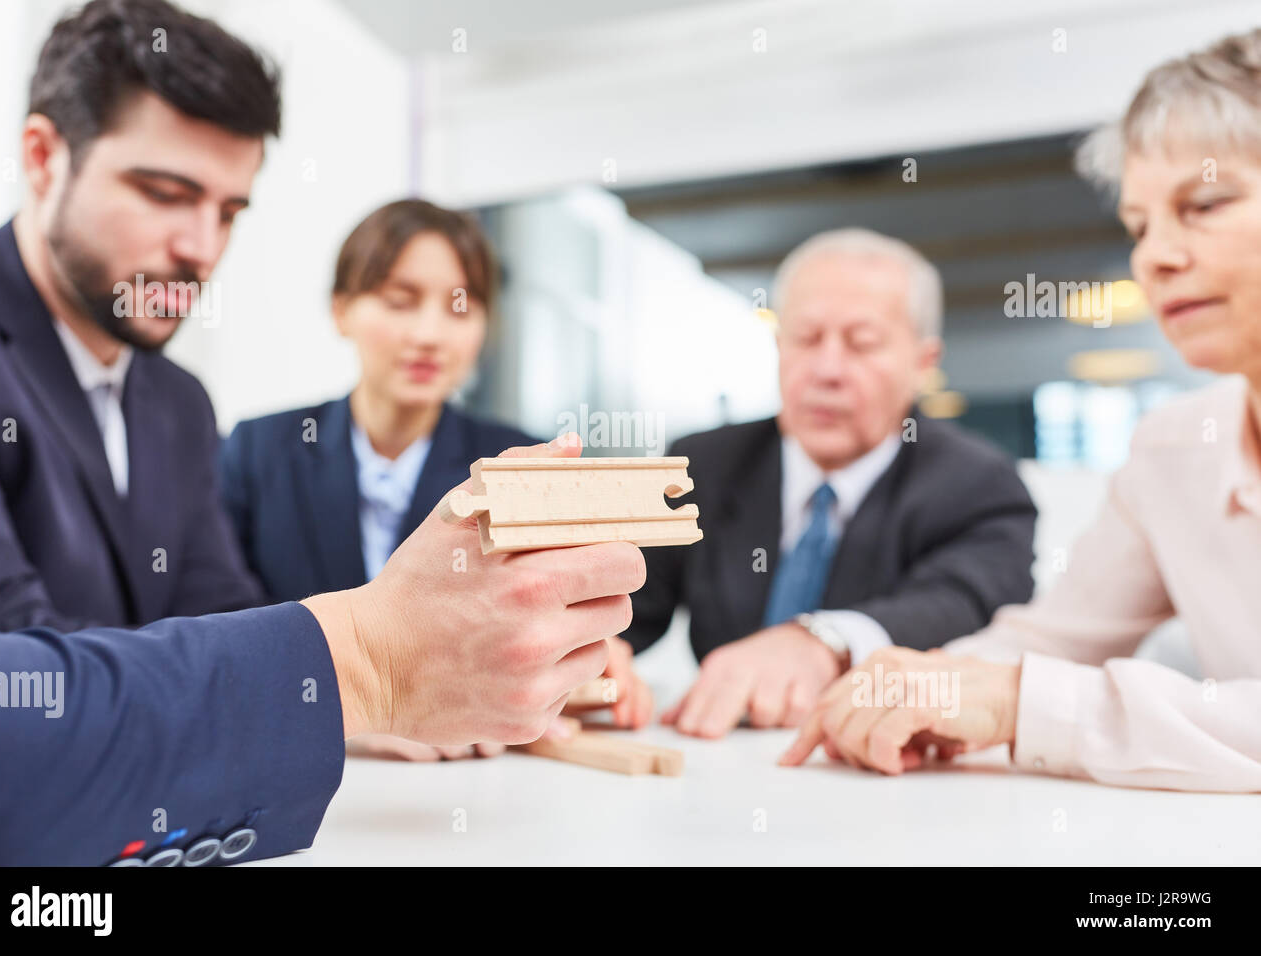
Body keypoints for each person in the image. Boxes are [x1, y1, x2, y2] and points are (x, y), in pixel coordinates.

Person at [782, 29, 1261, 793]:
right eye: (1139, 226)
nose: (1155, 256)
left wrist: (1018, 703)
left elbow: (1029, 690)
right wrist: (927, 688)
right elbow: (1054, 640)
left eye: (1203, 204)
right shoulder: (1173, 450)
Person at [0, 429, 647, 866]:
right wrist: (358, 670)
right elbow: (4, 668)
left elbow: (223, 611)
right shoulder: (265, 445)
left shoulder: (175, 402)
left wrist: (339, 703)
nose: (198, 253)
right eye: (398, 299)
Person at [219, 200, 649, 757]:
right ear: (341, 310)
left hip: (474, 776)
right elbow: (222, 627)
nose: (429, 334)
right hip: (298, 763)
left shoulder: (514, 463)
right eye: (399, 302)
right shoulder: (259, 449)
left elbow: (544, 614)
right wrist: (352, 718)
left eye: (460, 308)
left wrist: (582, 655)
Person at [619, 229, 1037, 739]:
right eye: (805, 338)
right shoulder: (702, 466)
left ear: (922, 364)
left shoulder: (978, 484)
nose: (827, 370)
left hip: (877, 755)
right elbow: (629, 598)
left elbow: (962, 602)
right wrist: (588, 649)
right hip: (716, 752)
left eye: (863, 344)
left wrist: (824, 642)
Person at [0, 0, 270, 631]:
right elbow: (8, 654)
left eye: (227, 214)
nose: (202, 249)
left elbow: (224, 625)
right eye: (164, 194)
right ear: (43, 158)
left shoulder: (181, 404)